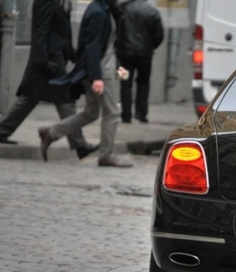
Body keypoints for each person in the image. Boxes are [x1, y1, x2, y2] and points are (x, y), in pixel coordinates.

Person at [38, 0, 133, 167]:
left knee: (91, 112)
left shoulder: (106, 10)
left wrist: (117, 65)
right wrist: (96, 77)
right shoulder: (98, 12)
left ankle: (51, 132)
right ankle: (106, 155)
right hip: (101, 72)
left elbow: (106, 46)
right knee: (112, 112)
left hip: (103, 68)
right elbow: (92, 47)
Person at [0, 0, 98, 160]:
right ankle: (80, 145)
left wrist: (73, 55)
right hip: (48, 61)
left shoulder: (59, 2)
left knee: (29, 99)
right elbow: (40, 31)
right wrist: (43, 62)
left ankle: (2, 130)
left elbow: (59, 33)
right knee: (66, 99)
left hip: (51, 59)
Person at [116, 0, 164, 123]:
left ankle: (126, 115)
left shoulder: (122, 8)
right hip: (145, 54)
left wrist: (118, 46)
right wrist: (150, 46)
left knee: (125, 83)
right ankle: (141, 113)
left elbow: (117, 30)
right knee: (144, 82)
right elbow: (159, 34)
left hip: (124, 54)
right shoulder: (152, 10)